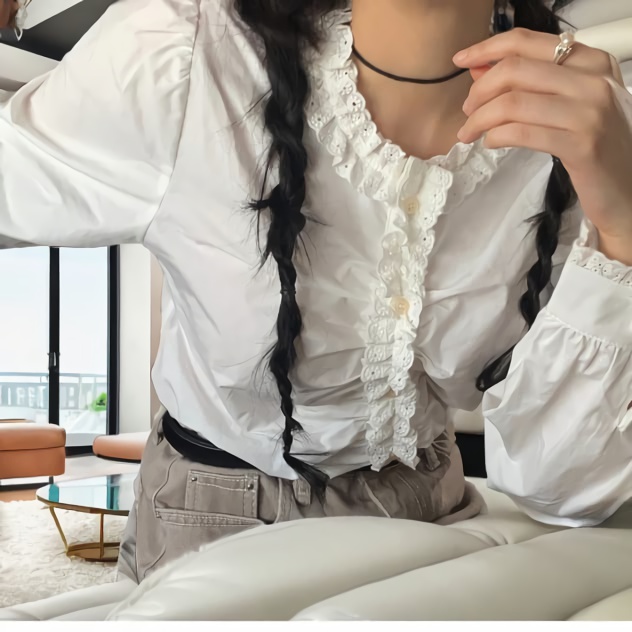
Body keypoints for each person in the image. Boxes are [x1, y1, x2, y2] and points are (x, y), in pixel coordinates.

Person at [1, 0, 631, 584]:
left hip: (435, 527)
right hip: (215, 522)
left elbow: (561, 487)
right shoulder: (188, 55)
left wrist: (625, 227)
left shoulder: (587, 122)